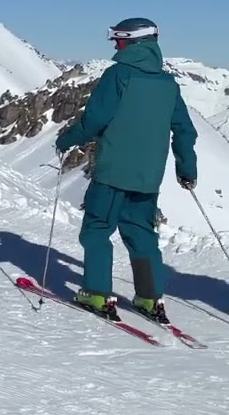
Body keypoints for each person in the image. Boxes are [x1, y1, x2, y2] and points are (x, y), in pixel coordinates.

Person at [54, 18, 197, 322]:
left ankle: (96, 293)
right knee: (142, 235)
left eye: (118, 41)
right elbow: (184, 129)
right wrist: (187, 168)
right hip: (148, 177)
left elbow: (94, 121)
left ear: (133, 43)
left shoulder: (118, 76)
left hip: (112, 172)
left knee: (97, 229)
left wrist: (65, 140)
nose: (115, 47)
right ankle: (149, 298)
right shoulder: (168, 84)